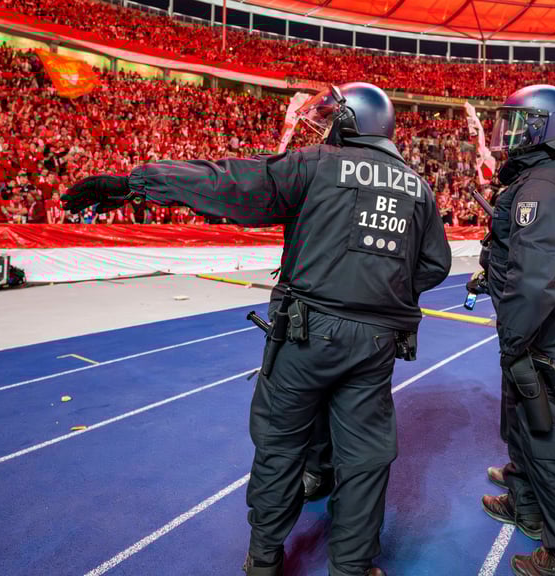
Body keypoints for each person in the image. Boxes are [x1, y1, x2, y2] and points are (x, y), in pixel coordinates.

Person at [61, 82, 453, 576]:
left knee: (281, 446)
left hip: (306, 335)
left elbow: (229, 184)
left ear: (351, 121)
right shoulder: (418, 187)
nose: (325, 128)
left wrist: (134, 183)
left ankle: (265, 559)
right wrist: (378, 290)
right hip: (374, 343)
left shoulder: (316, 163)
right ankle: (352, 566)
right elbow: (434, 265)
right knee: (364, 459)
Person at [480, 84, 555, 576]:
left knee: (550, 446)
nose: (507, 133)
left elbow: (534, 279)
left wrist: (513, 341)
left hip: (542, 339)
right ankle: (525, 506)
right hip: (546, 334)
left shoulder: (545, 185)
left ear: (542, 127)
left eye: (516, 123)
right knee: (525, 433)